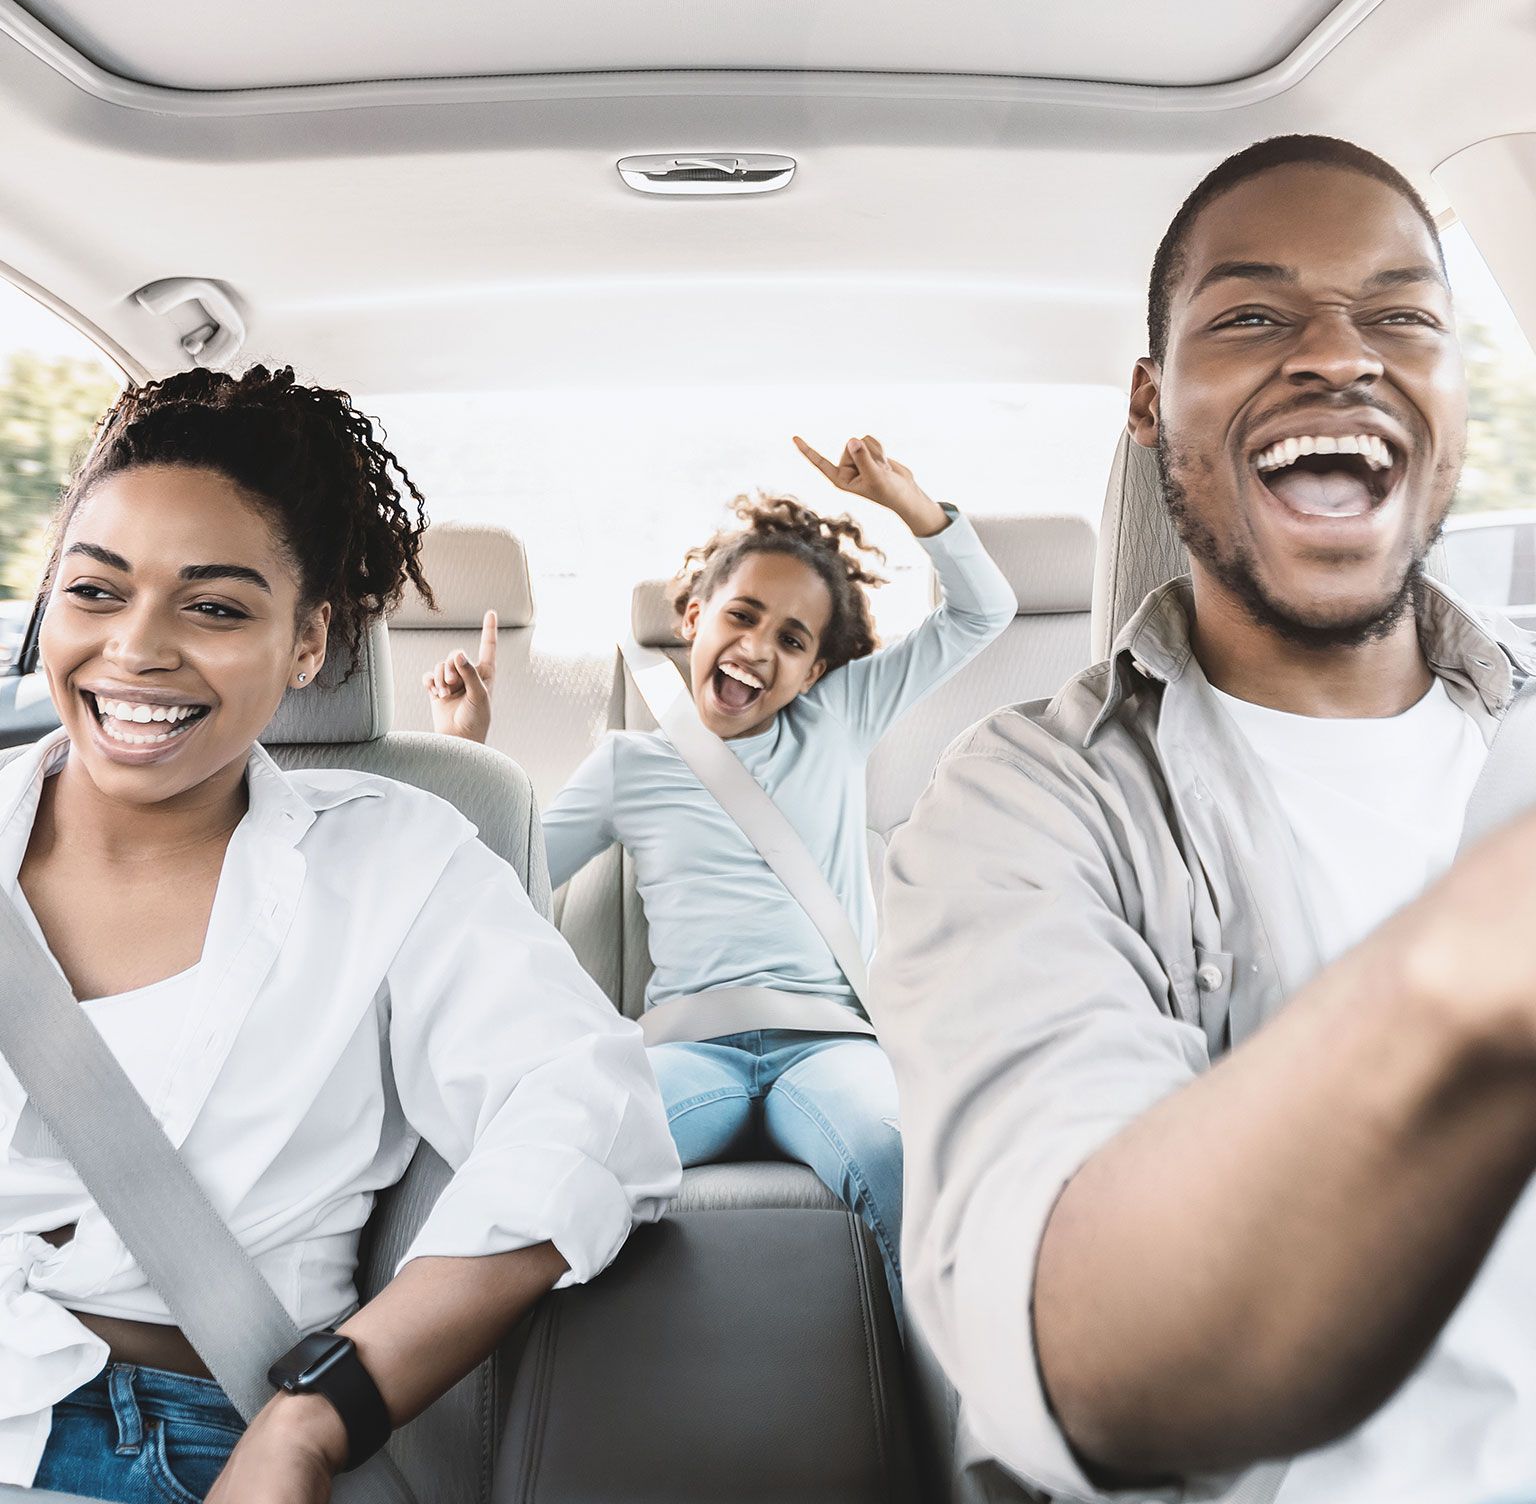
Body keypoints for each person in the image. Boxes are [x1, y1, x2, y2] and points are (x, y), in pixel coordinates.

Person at [871, 133, 1536, 1504]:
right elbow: (1081, 1350)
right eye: (1253, 315)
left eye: (1403, 314)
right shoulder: (1022, 807)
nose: (1339, 354)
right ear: (1150, 401)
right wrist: (1462, 976)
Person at [0, 366, 680, 1503]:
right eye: (95, 592)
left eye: (214, 606)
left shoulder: (397, 860)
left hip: (171, 1438)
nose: (137, 649)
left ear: (310, 641)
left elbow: (588, 1113)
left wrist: (319, 1416)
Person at [426, 435, 1016, 1303]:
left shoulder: (839, 719)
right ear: (695, 616)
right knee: (561, 1157)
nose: (758, 649)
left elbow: (982, 613)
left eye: (792, 639)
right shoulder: (631, 761)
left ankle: (979, 1408)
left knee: (902, 1156)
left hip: (830, 1046)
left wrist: (909, 504)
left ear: (817, 669)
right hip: (686, 1050)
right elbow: (511, 886)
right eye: (742, 616)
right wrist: (464, 755)